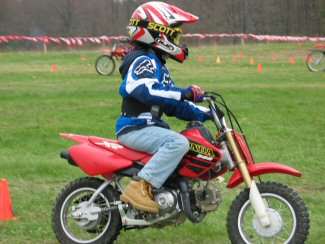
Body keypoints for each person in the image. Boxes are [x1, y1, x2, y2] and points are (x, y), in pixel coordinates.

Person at [116, 1, 210, 214]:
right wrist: (183, 92)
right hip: (135, 128)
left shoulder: (158, 64)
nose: (179, 42)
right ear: (158, 33)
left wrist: (207, 112)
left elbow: (173, 105)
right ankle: (140, 187)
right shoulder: (142, 60)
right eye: (175, 36)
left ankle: (171, 196)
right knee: (178, 142)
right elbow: (143, 89)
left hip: (149, 128)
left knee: (186, 143)